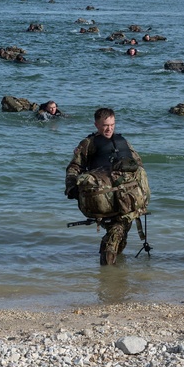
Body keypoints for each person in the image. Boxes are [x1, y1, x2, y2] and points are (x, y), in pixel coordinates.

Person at [65, 108, 147, 265]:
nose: (109, 129)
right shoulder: (88, 144)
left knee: (120, 238)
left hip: (128, 199)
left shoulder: (124, 142)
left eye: (112, 124)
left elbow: (138, 163)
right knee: (115, 234)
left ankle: (111, 279)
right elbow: (74, 167)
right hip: (106, 198)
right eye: (105, 125)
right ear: (96, 125)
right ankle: (108, 277)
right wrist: (72, 187)